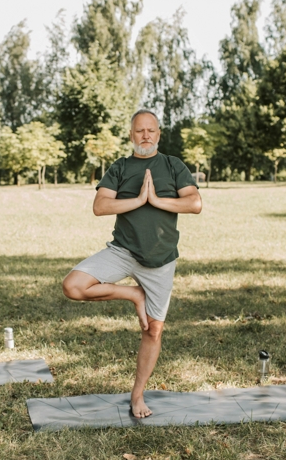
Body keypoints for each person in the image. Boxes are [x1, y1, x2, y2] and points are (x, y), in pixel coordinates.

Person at [62, 109, 202, 418]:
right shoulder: (121, 167)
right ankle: (133, 294)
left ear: (159, 134)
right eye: (140, 131)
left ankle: (137, 396)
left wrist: (156, 200)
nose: (146, 136)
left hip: (161, 260)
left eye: (151, 130)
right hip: (123, 251)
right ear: (131, 135)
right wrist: (137, 200)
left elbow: (194, 203)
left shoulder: (172, 166)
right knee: (72, 285)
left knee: (153, 331)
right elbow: (100, 206)